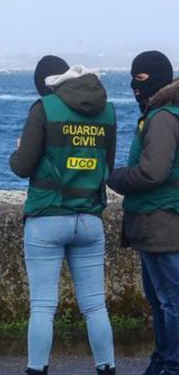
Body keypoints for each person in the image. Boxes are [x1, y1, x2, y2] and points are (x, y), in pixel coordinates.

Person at [10, 55, 117, 375]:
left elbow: (22, 166)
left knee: (43, 306)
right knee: (96, 306)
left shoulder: (44, 109)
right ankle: (107, 368)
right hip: (89, 220)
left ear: (45, 84)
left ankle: (37, 370)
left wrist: (17, 151)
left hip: (46, 219)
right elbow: (107, 168)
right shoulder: (107, 111)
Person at [108, 51, 179, 375]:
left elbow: (153, 172)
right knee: (161, 301)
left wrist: (114, 176)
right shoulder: (162, 112)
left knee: (169, 302)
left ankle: (170, 363)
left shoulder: (163, 117)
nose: (135, 87)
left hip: (161, 222)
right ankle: (161, 360)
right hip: (156, 221)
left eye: (141, 79)